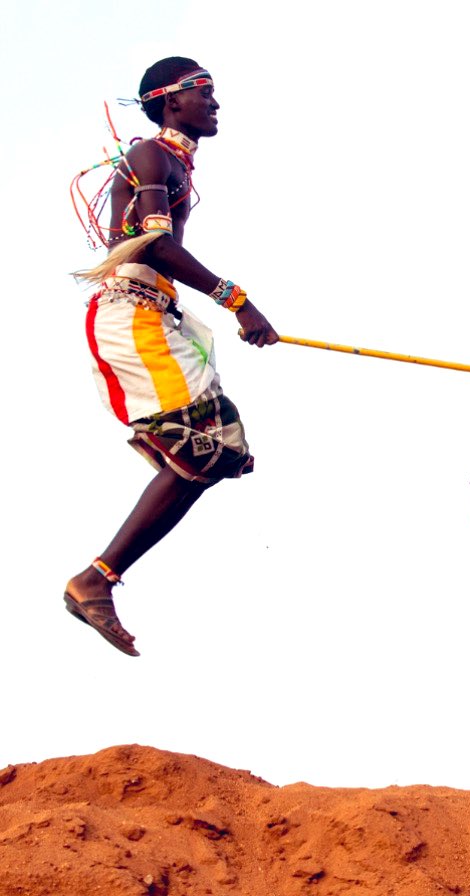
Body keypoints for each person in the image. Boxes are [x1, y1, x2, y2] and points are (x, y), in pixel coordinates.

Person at [65, 57, 279, 657]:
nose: (214, 104)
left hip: (156, 316)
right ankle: (94, 581)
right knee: (204, 447)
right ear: (169, 101)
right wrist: (238, 301)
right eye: (203, 93)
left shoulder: (172, 161)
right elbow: (153, 244)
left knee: (221, 448)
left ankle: (95, 580)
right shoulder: (150, 157)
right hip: (131, 314)